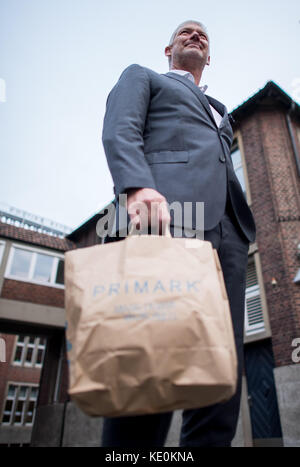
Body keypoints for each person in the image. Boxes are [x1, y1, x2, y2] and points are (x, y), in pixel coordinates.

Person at [101, 20, 256, 447]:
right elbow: (120, 128)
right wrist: (135, 185)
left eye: (203, 35)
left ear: (211, 56)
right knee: (156, 360)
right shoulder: (143, 77)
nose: (196, 36)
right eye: (186, 32)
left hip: (229, 235)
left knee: (221, 371)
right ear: (167, 49)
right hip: (167, 217)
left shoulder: (222, 111)